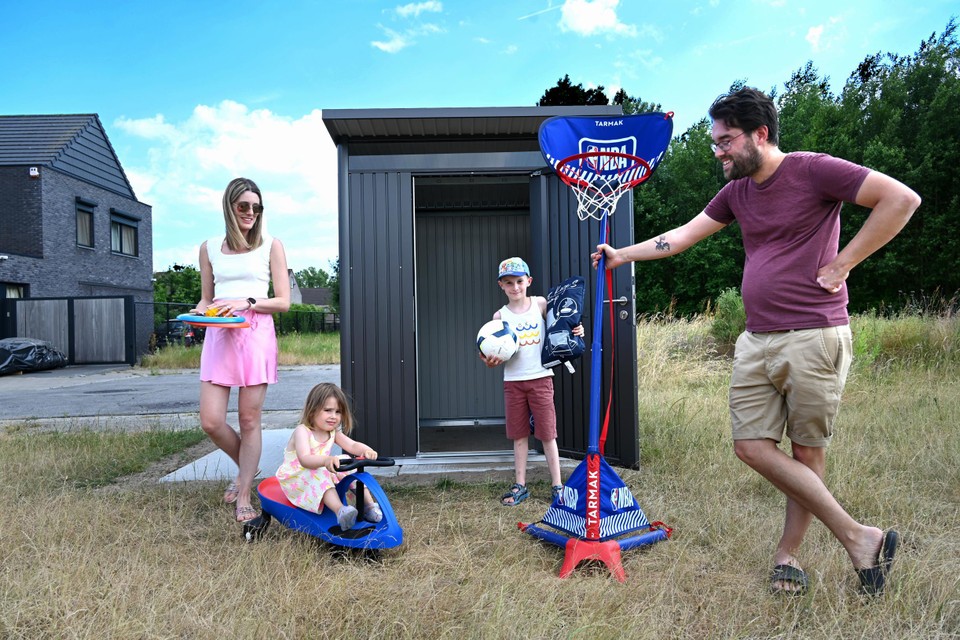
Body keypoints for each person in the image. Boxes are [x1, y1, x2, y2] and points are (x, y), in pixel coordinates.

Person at [592, 87, 920, 595]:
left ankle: (789, 556)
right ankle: (861, 536)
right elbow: (680, 236)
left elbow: (901, 199)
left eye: (725, 141)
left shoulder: (813, 170)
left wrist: (843, 263)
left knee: (806, 455)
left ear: (759, 134)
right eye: (715, 143)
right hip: (756, 339)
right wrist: (622, 255)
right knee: (750, 446)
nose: (718, 151)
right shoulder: (736, 193)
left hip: (813, 335)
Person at [192, 177, 290, 523]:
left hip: (255, 333)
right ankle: (247, 465)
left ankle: (245, 492)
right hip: (220, 336)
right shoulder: (208, 248)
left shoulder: (270, 245)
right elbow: (207, 297)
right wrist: (200, 312)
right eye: (243, 206)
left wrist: (247, 301)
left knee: (249, 420)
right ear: (230, 207)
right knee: (211, 421)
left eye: (256, 207)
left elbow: (283, 301)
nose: (250, 212)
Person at [481, 257, 584, 506]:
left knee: (548, 434)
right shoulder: (500, 315)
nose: (515, 287)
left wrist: (577, 330)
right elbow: (488, 348)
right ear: (501, 285)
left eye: (519, 281)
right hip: (514, 381)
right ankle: (520, 485)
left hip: (540, 379)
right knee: (519, 435)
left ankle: (557, 486)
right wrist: (488, 360)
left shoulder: (540, 304)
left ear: (529, 281)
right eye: (509, 283)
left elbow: (561, 325)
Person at [275, 383, 383, 530]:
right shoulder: (302, 431)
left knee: (345, 459)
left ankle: (369, 506)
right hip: (297, 477)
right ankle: (340, 511)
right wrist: (326, 460)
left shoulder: (333, 432)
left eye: (338, 412)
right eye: (328, 410)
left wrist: (366, 450)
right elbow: (305, 459)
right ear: (312, 410)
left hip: (320, 469)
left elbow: (352, 445)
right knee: (320, 471)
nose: (333, 416)